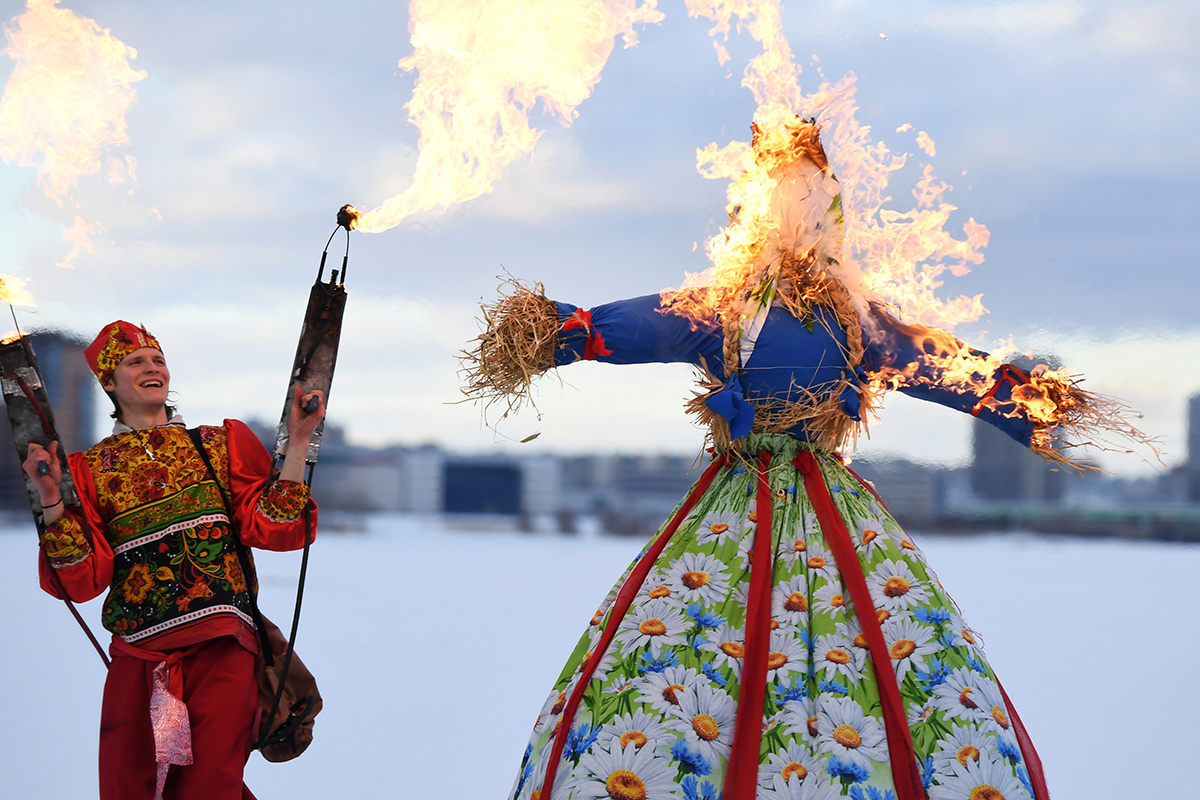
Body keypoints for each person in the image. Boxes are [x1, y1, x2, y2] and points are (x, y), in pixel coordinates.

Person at [460, 120, 1132, 800]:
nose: (796, 212)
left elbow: (940, 367)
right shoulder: (724, 307)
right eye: (782, 194)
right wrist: (557, 333)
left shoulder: (855, 319)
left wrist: (1020, 398)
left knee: (886, 647)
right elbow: (635, 326)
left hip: (829, 507)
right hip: (738, 502)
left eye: (810, 196)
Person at [23, 320, 324, 800]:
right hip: (142, 660)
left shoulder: (219, 444)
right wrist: (51, 498)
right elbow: (81, 581)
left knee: (208, 784)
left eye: (157, 359)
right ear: (108, 383)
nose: (151, 368)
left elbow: (275, 527)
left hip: (221, 648)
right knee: (140, 789)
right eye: (135, 362)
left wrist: (299, 442)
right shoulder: (85, 471)